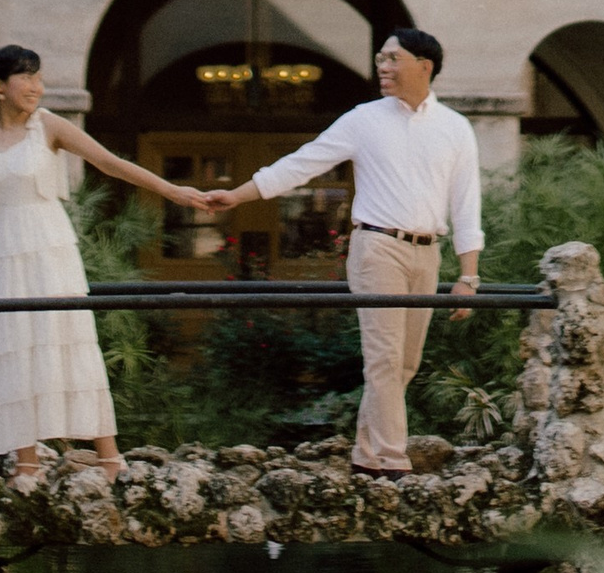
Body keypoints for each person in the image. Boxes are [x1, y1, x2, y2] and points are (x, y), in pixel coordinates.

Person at [198, 26, 482, 479]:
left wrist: (469, 275)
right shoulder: (363, 119)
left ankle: (366, 454)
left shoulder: (455, 127)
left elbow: (467, 203)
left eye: (392, 59)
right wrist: (239, 195)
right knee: (385, 359)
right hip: (377, 247)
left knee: (404, 364)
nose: (382, 67)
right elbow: (302, 163)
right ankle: (392, 460)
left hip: (428, 253)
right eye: (380, 59)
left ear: (423, 67)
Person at [0, 42, 205, 482]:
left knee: (67, 338)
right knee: (12, 345)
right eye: (26, 77)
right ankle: (26, 460)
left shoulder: (48, 126)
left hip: (48, 244)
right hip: (1, 250)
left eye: (39, 77)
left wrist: (175, 192)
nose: (36, 86)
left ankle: (109, 456)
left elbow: (110, 163)